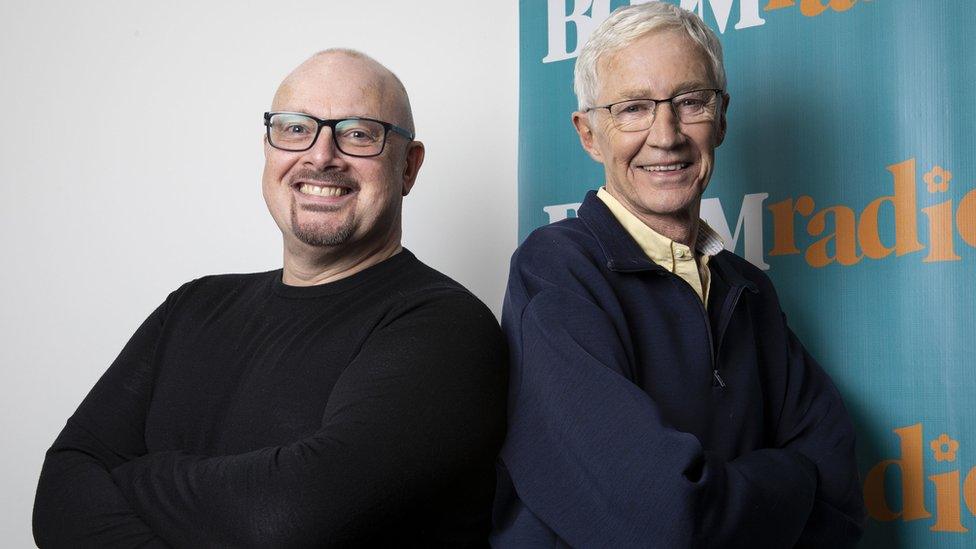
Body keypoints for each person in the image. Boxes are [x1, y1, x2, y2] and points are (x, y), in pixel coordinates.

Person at [33, 49, 507, 547]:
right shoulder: (192, 308)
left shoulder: (446, 327)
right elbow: (59, 493)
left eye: (358, 133)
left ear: (408, 167)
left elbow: (294, 512)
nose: (321, 155)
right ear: (268, 147)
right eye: (296, 128)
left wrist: (136, 477)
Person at [492, 4, 866, 547]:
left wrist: (725, 494)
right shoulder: (555, 271)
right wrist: (794, 476)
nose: (665, 136)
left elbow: (840, 495)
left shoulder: (747, 287)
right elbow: (657, 520)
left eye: (690, 102)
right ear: (589, 134)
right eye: (633, 108)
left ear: (721, 119)